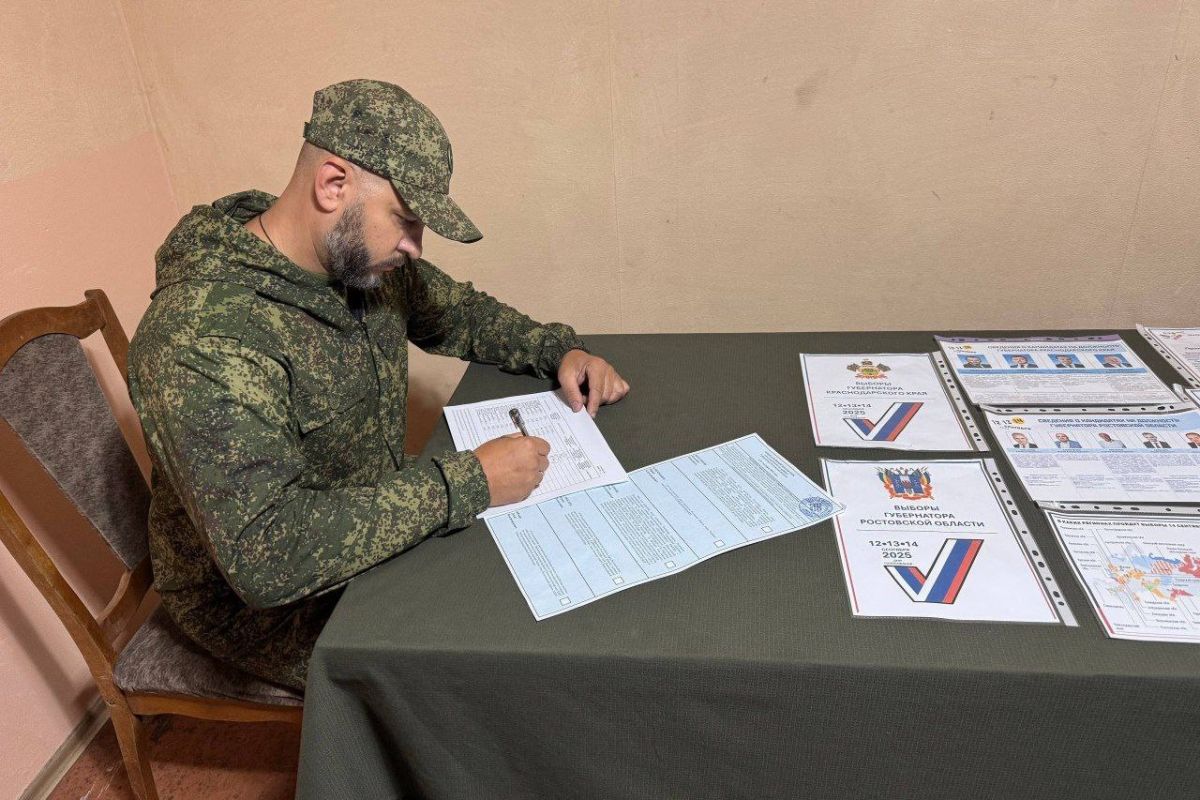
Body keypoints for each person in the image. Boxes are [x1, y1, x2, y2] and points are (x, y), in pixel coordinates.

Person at [127, 80, 630, 690]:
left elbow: (460, 314)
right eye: (405, 220)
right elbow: (269, 556)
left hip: (375, 505)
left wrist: (558, 349)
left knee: (542, 579)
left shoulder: (355, 259)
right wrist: (469, 481)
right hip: (268, 605)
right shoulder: (201, 341)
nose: (414, 247)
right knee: (492, 665)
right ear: (332, 185)